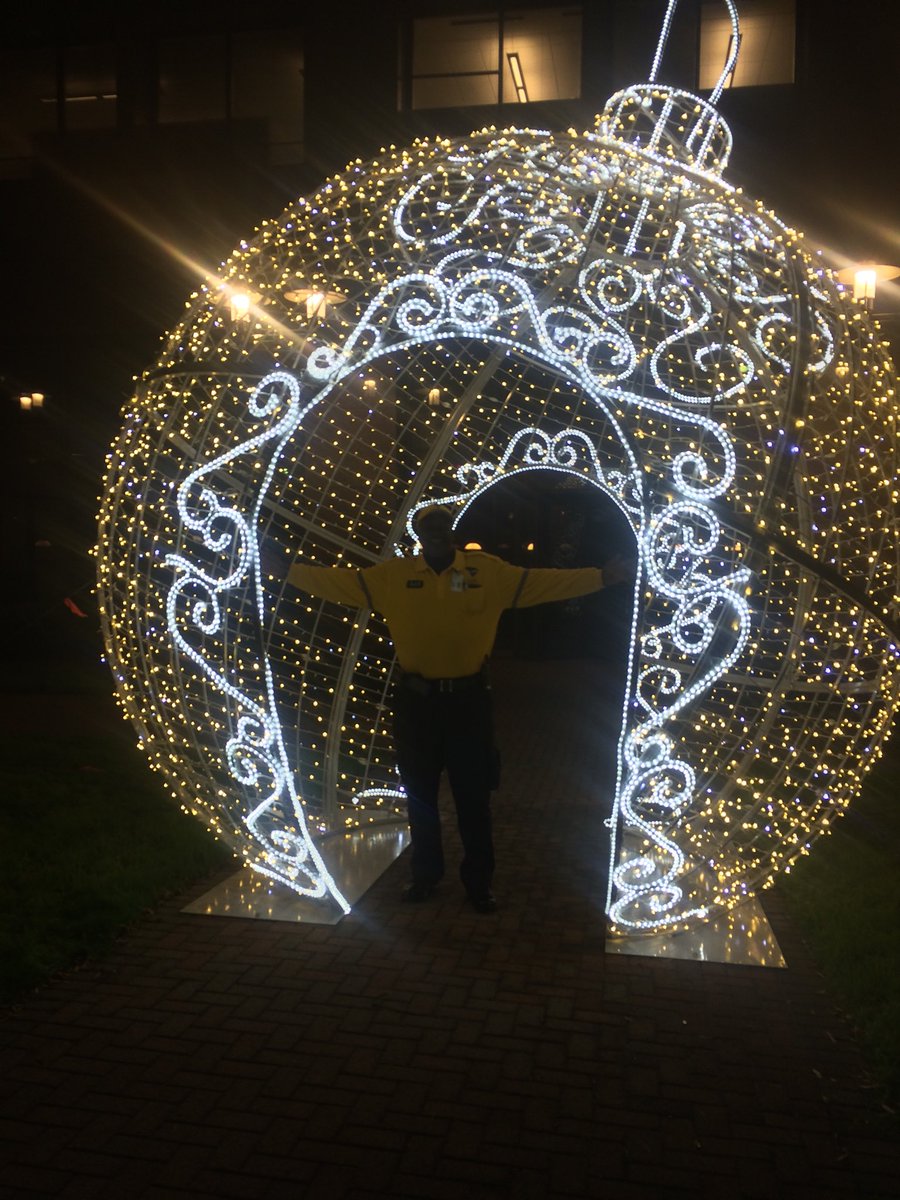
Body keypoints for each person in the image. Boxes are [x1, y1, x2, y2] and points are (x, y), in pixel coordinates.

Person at [287, 504, 632, 914]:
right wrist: (287, 570)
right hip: (417, 704)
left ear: (450, 531)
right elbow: (340, 582)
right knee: (420, 797)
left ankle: (479, 884)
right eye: (426, 527)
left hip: (468, 702)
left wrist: (601, 577)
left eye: (440, 525)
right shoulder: (394, 577)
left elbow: (542, 583)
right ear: (418, 535)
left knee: (474, 796)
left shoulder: (486, 573)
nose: (434, 533)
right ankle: (425, 876)